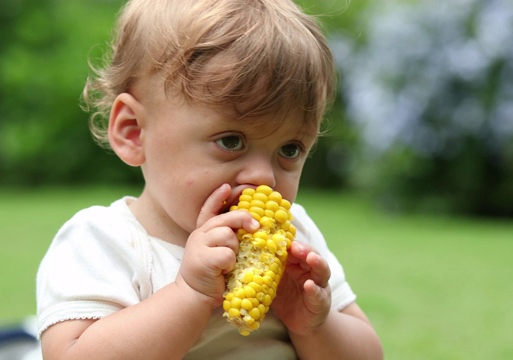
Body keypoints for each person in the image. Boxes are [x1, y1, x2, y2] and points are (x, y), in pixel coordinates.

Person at [36, 0, 383, 358]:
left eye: (290, 149)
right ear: (134, 132)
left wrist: (315, 325)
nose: (264, 177)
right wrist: (189, 294)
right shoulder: (104, 242)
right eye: (231, 141)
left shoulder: (298, 238)